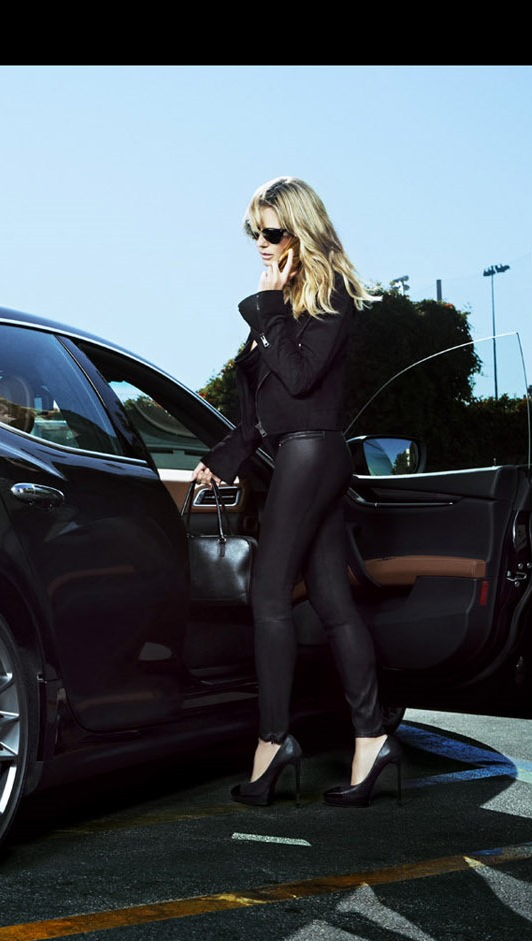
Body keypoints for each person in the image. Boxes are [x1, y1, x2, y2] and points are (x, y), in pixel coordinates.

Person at [191, 176, 400, 808]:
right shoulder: (283, 299)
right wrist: (223, 460)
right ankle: (371, 739)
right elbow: (263, 409)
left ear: (300, 229)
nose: (260, 241)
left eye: (272, 231)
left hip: (313, 451)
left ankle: (272, 742)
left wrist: (266, 308)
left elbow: (302, 380)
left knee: (269, 594)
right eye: (252, 231)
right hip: (296, 453)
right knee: (332, 600)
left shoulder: (326, 290)